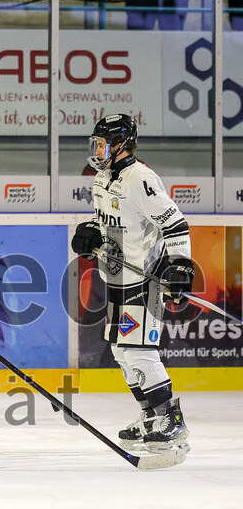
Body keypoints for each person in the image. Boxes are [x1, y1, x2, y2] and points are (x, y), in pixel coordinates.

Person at [71, 114, 193, 453]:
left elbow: (175, 224)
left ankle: (171, 417)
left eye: (102, 144)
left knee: (137, 350)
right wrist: (92, 232)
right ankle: (150, 416)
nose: (96, 150)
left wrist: (180, 265)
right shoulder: (101, 179)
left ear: (121, 145)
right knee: (121, 351)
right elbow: (105, 220)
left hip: (144, 278)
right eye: (94, 143)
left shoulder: (141, 178)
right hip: (117, 278)